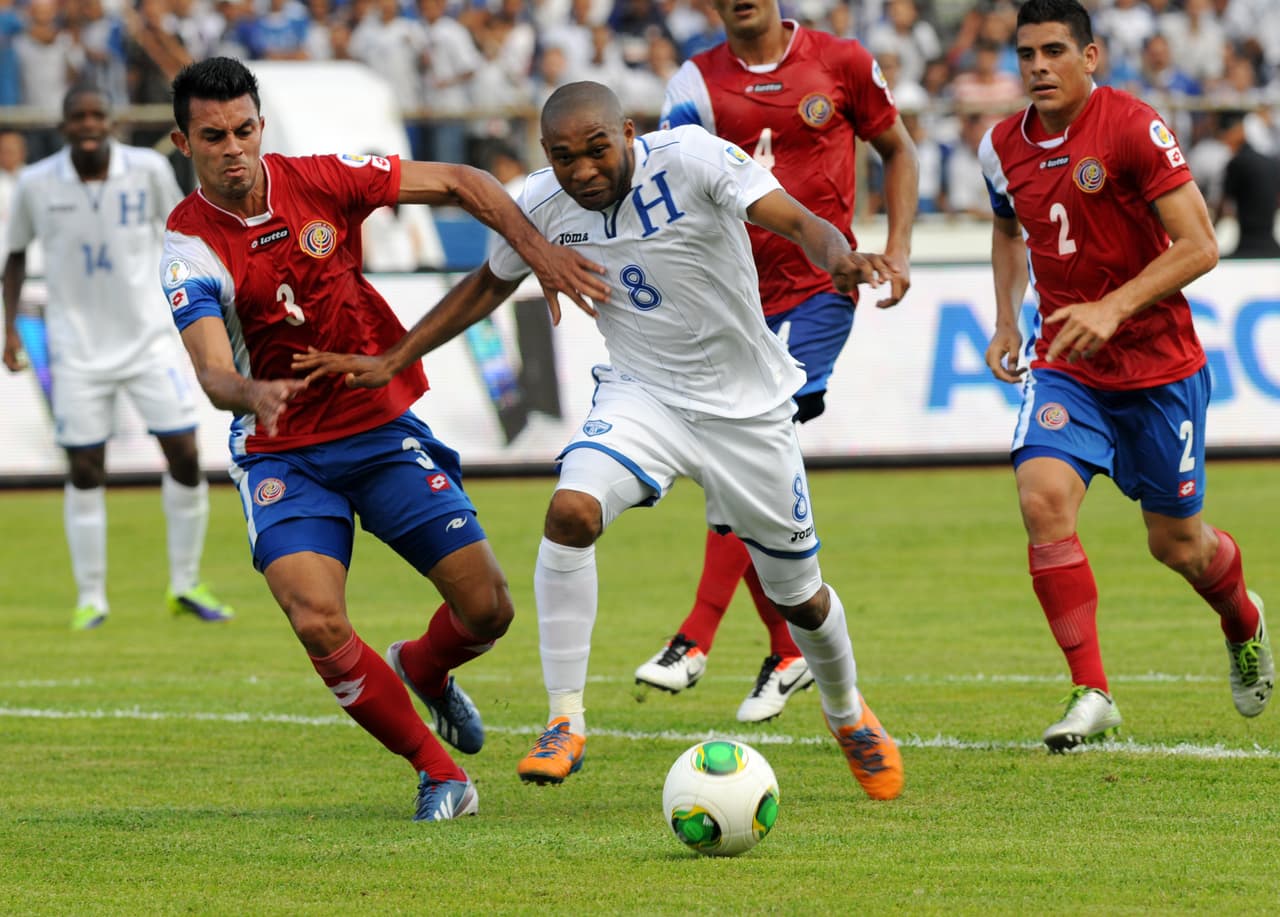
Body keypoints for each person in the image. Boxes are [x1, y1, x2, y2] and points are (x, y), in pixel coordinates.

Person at [295, 81, 907, 802]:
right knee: (571, 512)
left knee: (799, 596)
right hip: (642, 396)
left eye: (595, 150)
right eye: (562, 157)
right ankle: (565, 719)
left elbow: (802, 223)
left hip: (748, 409)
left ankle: (848, 715)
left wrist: (840, 257)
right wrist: (396, 357)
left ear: (627, 131)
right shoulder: (542, 204)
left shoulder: (692, 159)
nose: (581, 169)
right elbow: (487, 285)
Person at [160, 58, 607, 821]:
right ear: (183, 142)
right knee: (315, 616)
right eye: (213, 136)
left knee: (488, 609)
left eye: (243, 130)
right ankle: (440, 774)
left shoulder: (326, 178)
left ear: (261, 126)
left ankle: (426, 668)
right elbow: (209, 369)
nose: (232, 148)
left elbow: (467, 182)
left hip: (377, 425)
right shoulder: (187, 247)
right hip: (281, 451)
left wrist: (540, 254)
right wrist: (251, 391)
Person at [979, 0, 1272, 752]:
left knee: (1178, 546)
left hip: (1159, 367)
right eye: (1026, 54)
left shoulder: (1134, 127)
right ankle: (1092, 690)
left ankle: (1242, 619)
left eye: (1053, 51)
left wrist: (1113, 304)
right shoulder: (999, 146)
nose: (1038, 66)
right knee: (1043, 499)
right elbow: (1008, 230)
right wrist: (1009, 318)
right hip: (1065, 365)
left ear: (1091, 56)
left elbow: (1201, 244)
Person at [632, 0, 918, 723]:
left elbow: (900, 150)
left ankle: (695, 637)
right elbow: (671, 189)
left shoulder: (843, 62)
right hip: (733, 304)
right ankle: (787, 649)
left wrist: (900, 248)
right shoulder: (695, 83)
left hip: (821, 289)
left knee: (751, 443)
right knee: (749, 465)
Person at [2, 85, 234, 632]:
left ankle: (185, 584)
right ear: (62, 127)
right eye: (77, 116)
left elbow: (185, 231)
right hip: (76, 348)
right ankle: (91, 598)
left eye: (96, 115)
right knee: (85, 467)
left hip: (149, 338)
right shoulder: (37, 184)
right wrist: (8, 325)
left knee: (183, 451)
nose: (88, 124)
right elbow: (13, 256)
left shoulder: (148, 171)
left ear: (112, 122)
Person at [1214, 109, 1280, 259]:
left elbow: (1222, 204)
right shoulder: (1271, 162)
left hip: (1249, 245)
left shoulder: (1237, 163)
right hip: (1269, 243)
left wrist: (1210, 234)